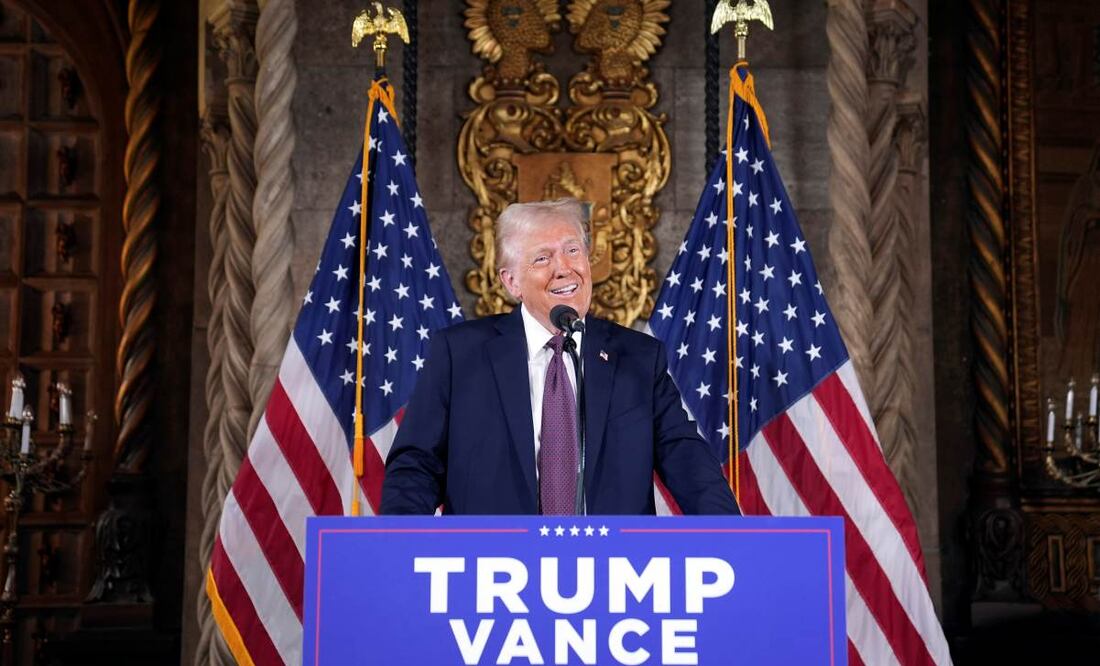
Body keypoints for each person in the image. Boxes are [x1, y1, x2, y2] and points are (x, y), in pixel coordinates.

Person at [381, 198, 739, 515]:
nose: (564, 267)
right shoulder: (460, 355)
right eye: (542, 258)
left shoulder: (639, 358)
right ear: (511, 282)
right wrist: (399, 551)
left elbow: (687, 459)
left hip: (613, 570)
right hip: (489, 571)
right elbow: (416, 466)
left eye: (573, 251)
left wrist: (738, 543)